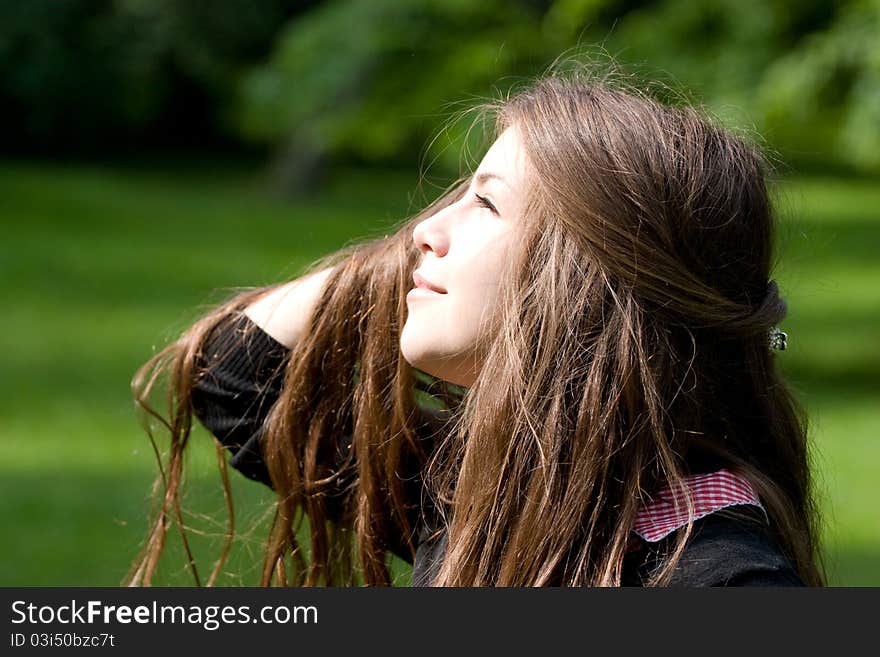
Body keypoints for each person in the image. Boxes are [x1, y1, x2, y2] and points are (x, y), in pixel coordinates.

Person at [126, 67, 824, 587]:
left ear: (585, 280)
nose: (422, 232)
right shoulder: (494, 488)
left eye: (484, 206)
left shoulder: (716, 575)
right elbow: (237, 375)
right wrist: (409, 264)